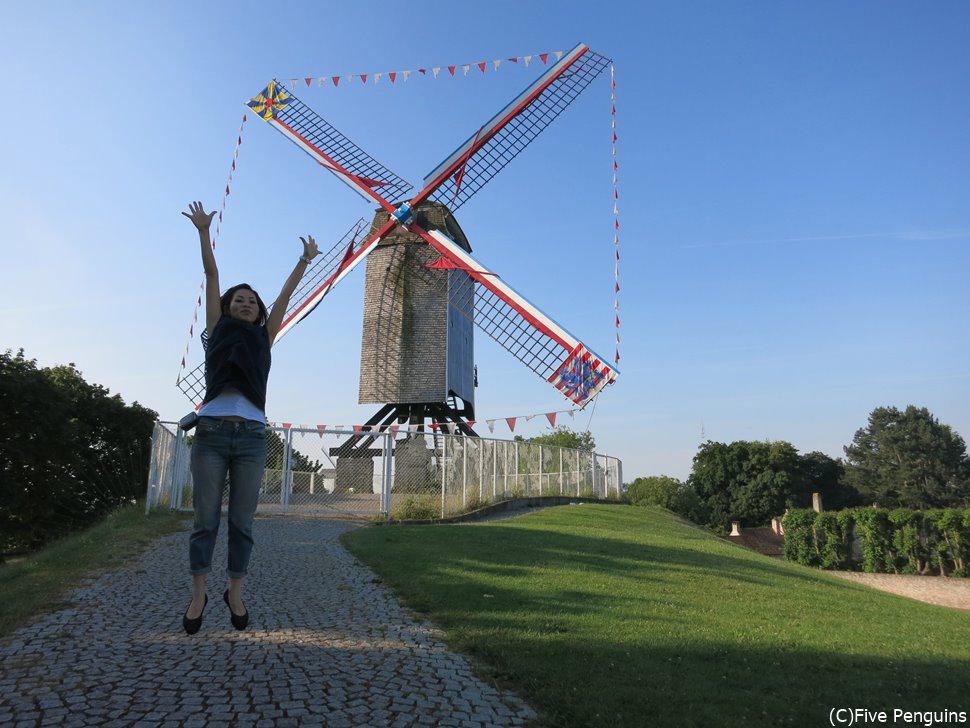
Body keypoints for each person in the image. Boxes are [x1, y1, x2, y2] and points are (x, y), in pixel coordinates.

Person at [180, 200, 319, 634]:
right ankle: (199, 591)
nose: (246, 304)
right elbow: (211, 276)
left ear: (259, 313)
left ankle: (234, 590)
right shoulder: (219, 329)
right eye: (239, 300)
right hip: (212, 432)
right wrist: (204, 233)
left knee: (242, 520)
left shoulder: (265, 336)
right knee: (205, 518)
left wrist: (303, 260)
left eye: (251, 302)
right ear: (228, 307)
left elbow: (285, 296)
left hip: (252, 436)